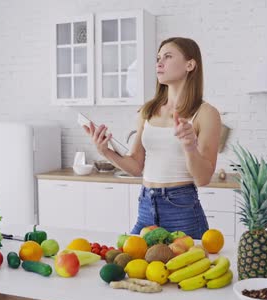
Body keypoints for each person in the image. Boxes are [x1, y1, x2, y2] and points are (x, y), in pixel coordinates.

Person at [83, 37, 221, 239]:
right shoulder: (148, 110)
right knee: (127, 266)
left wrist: (190, 147)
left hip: (182, 210)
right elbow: (136, 166)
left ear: (190, 65)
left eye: (168, 56)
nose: (159, 62)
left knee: (184, 270)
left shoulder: (206, 113)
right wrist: (105, 151)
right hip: (146, 206)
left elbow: (203, 178)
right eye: (158, 58)